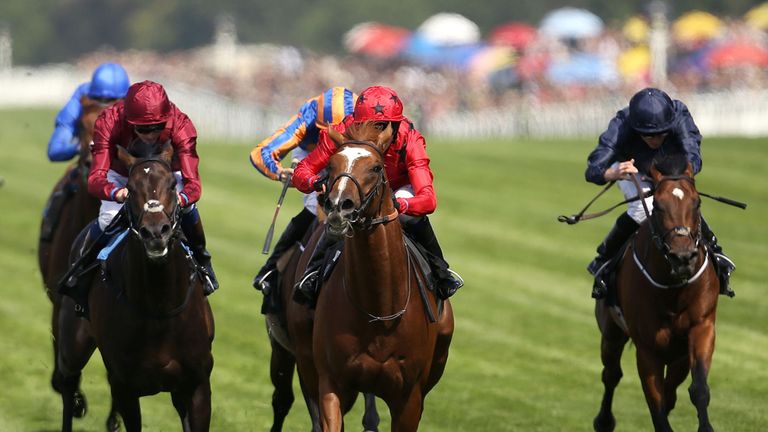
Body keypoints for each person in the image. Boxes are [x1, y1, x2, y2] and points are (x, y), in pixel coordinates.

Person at [291, 85, 464, 307]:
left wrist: (398, 204)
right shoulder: (341, 132)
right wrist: (316, 182)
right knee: (338, 213)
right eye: (366, 125)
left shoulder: (410, 140)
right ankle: (312, 274)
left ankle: (441, 272)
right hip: (358, 187)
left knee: (409, 218)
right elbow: (302, 172)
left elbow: (428, 199)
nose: (374, 134)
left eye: (381, 127)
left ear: (394, 125)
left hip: (396, 189)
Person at [63, 80, 218, 314]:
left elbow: (193, 184)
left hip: (163, 174)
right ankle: (83, 274)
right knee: (107, 219)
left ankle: (203, 262)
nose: (150, 134)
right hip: (122, 174)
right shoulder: (108, 121)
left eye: (157, 127)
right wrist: (116, 192)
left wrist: (181, 200)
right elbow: (95, 179)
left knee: (189, 210)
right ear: (127, 119)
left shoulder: (181, 123)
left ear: (166, 118)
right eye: (142, 129)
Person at [585, 87, 735, 299]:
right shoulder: (621, 124)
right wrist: (611, 172)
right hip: (633, 169)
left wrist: (671, 183)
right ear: (636, 128)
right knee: (641, 208)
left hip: (672, 170)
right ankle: (603, 261)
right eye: (647, 135)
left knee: (680, 204)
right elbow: (592, 170)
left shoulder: (679, 114)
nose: (655, 139)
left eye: (661, 133)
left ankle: (716, 254)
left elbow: (693, 157)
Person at [250, 87, 357, 313]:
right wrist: (280, 173)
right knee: (314, 206)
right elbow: (261, 152)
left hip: (351, 158)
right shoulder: (307, 117)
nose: (334, 136)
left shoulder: (362, 115)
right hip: (312, 157)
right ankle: (272, 269)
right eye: (326, 131)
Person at [41, 62, 130, 241]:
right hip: (87, 166)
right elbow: (55, 150)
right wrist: (85, 146)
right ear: (91, 96)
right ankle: (49, 237)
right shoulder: (81, 99)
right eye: (101, 101)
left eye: (114, 102)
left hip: (120, 168)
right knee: (63, 187)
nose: (106, 106)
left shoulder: (134, 102)